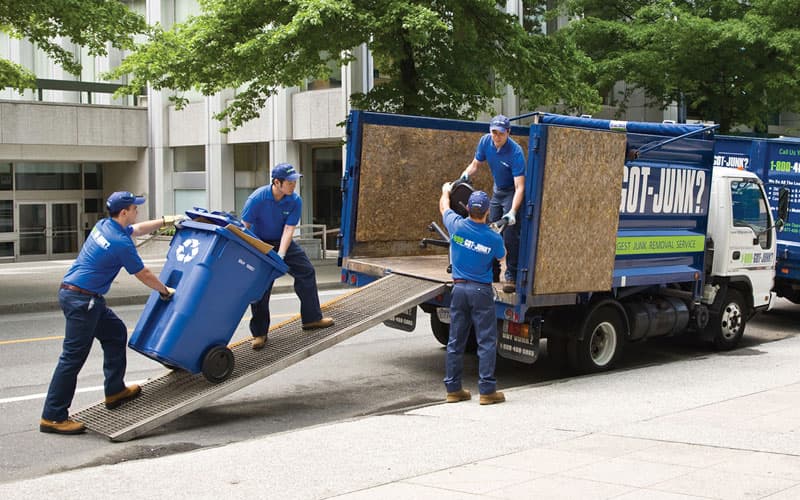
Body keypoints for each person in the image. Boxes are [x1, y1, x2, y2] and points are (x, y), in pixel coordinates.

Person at [40, 192, 179, 435]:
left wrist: (166, 221)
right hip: (84, 301)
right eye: (134, 208)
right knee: (72, 358)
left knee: (115, 333)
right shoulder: (119, 243)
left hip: (80, 295)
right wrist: (164, 290)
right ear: (124, 212)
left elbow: (136, 229)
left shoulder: (105, 226)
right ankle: (52, 416)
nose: (137, 211)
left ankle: (115, 391)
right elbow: (143, 273)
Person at [241, 163, 334, 350]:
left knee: (306, 271)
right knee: (261, 286)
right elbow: (245, 227)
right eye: (290, 182)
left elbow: (289, 229)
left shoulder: (294, 200)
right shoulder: (257, 199)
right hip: (259, 243)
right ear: (277, 182)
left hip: (283, 241)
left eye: (295, 181)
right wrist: (252, 251)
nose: (294, 185)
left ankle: (311, 318)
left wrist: (281, 254)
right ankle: (259, 333)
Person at [440, 185, 506, 405]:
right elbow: (502, 260)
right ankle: (487, 391)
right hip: (481, 292)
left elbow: (444, 207)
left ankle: (453, 389)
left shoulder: (456, 226)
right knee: (486, 340)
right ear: (487, 212)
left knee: (456, 341)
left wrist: (446, 191)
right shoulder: (494, 238)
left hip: (458, 290)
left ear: (467, 208)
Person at [460, 114, 525, 293]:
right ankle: (493, 272)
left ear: (508, 133)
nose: (497, 136)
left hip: (511, 192)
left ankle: (511, 274)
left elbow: (520, 187)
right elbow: (475, 164)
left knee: (510, 234)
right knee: (491, 231)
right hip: (498, 191)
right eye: (494, 132)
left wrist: (512, 211)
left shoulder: (516, 152)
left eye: (501, 133)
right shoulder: (485, 142)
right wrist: (466, 174)